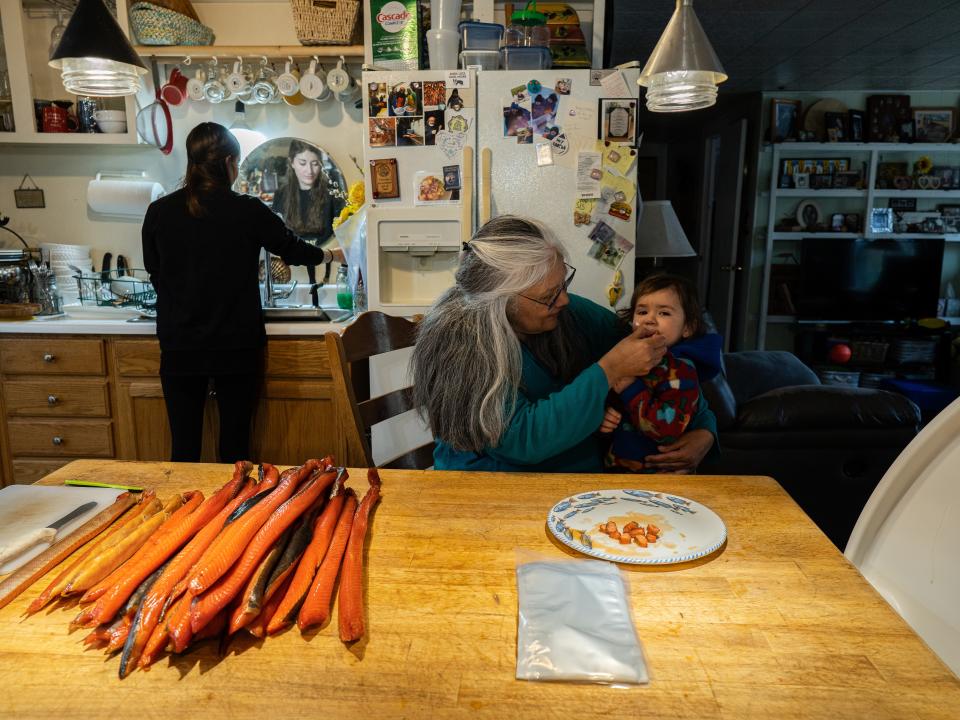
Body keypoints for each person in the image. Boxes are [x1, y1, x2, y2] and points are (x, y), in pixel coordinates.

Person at [411, 216, 717, 473]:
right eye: (548, 296)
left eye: (563, 284)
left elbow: (661, 356)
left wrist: (704, 430)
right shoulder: (462, 344)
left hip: (575, 480)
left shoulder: (566, 315)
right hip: (487, 488)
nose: (564, 300)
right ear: (499, 303)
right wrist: (609, 370)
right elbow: (521, 440)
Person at [142, 123, 343, 463]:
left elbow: (155, 271)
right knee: (235, 448)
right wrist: (330, 254)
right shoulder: (247, 209)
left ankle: (184, 515)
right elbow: (292, 250)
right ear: (231, 163)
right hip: (235, 344)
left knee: (184, 446)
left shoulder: (160, 211)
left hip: (181, 344)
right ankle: (235, 515)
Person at [601, 273, 722, 473]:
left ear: (688, 328)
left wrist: (630, 389)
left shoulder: (681, 371)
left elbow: (668, 431)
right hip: (617, 473)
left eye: (664, 313)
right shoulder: (626, 356)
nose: (649, 319)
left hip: (658, 478)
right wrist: (606, 417)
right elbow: (616, 402)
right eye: (641, 312)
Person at [271, 139, 345, 286]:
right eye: (303, 163)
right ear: (292, 162)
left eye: (315, 163)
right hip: (294, 266)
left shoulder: (332, 194)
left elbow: (338, 232)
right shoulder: (281, 194)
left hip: (324, 262)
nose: (309, 171)